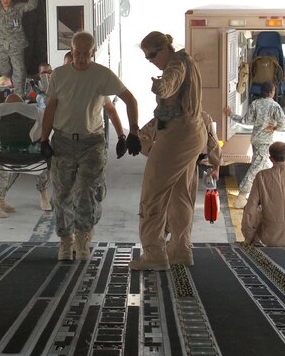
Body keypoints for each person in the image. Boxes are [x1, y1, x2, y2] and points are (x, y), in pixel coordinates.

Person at [40, 31, 141, 262]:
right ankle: (66, 241)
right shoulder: (59, 75)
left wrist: (131, 132)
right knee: (62, 194)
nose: (81, 58)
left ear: (93, 52)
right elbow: (51, 109)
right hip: (63, 141)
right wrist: (44, 140)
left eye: (86, 54)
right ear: (71, 51)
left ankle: (83, 237)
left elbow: (129, 100)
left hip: (91, 143)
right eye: (77, 53)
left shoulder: (102, 75)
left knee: (86, 191)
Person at [130, 31, 205, 271]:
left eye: (152, 55)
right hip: (192, 133)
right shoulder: (187, 61)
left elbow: (169, 83)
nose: (151, 60)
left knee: (152, 194)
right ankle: (180, 250)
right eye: (147, 57)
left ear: (164, 49)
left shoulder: (176, 64)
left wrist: (160, 87)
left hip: (176, 136)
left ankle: (154, 253)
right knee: (180, 194)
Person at [225, 80, 285, 209]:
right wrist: (274, 127)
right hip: (265, 143)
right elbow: (283, 123)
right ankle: (242, 196)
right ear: (272, 92)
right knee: (255, 169)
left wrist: (230, 115)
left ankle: (261, 197)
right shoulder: (274, 106)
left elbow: (245, 120)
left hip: (255, 140)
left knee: (264, 169)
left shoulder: (255, 104)